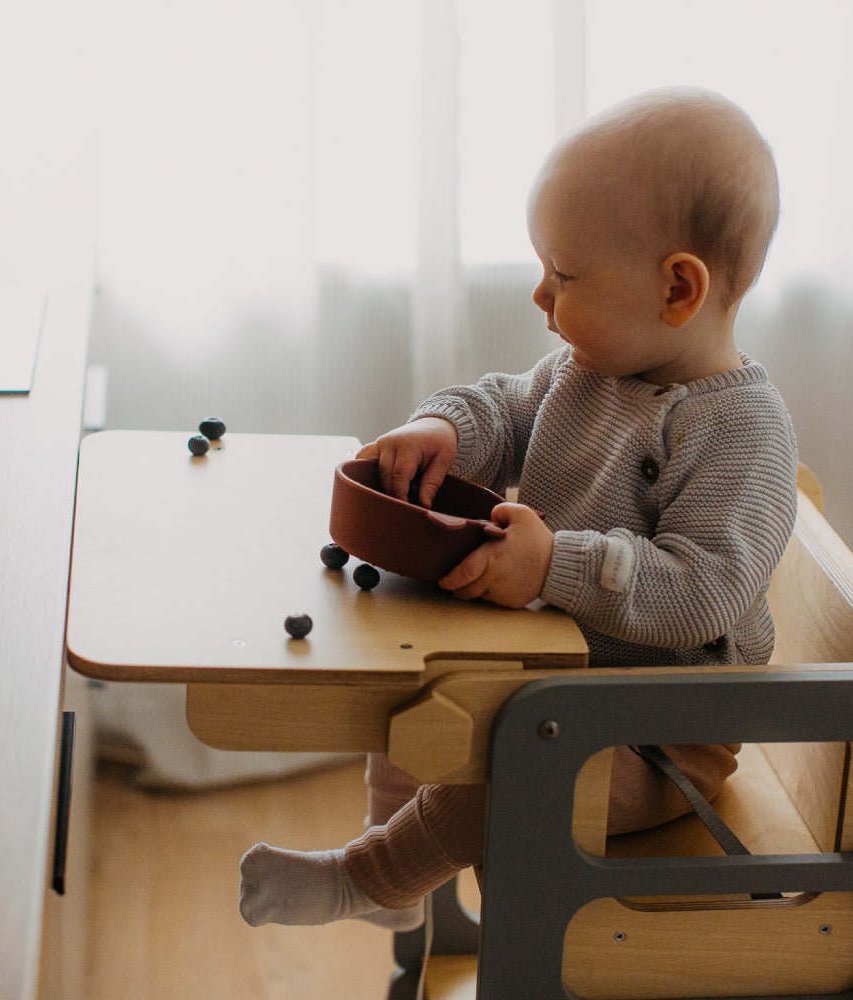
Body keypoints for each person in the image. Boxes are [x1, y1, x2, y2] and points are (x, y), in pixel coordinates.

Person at [238, 86, 799, 931]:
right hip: (551, 681)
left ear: (678, 289)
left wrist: (552, 565)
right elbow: (504, 409)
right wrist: (443, 429)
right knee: (417, 695)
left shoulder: (741, 432)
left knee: (506, 757)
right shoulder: (586, 372)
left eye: (563, 275)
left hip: (652, 740)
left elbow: (704, 591)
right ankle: (395, 870)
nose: (541, 296)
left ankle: (370, 878)